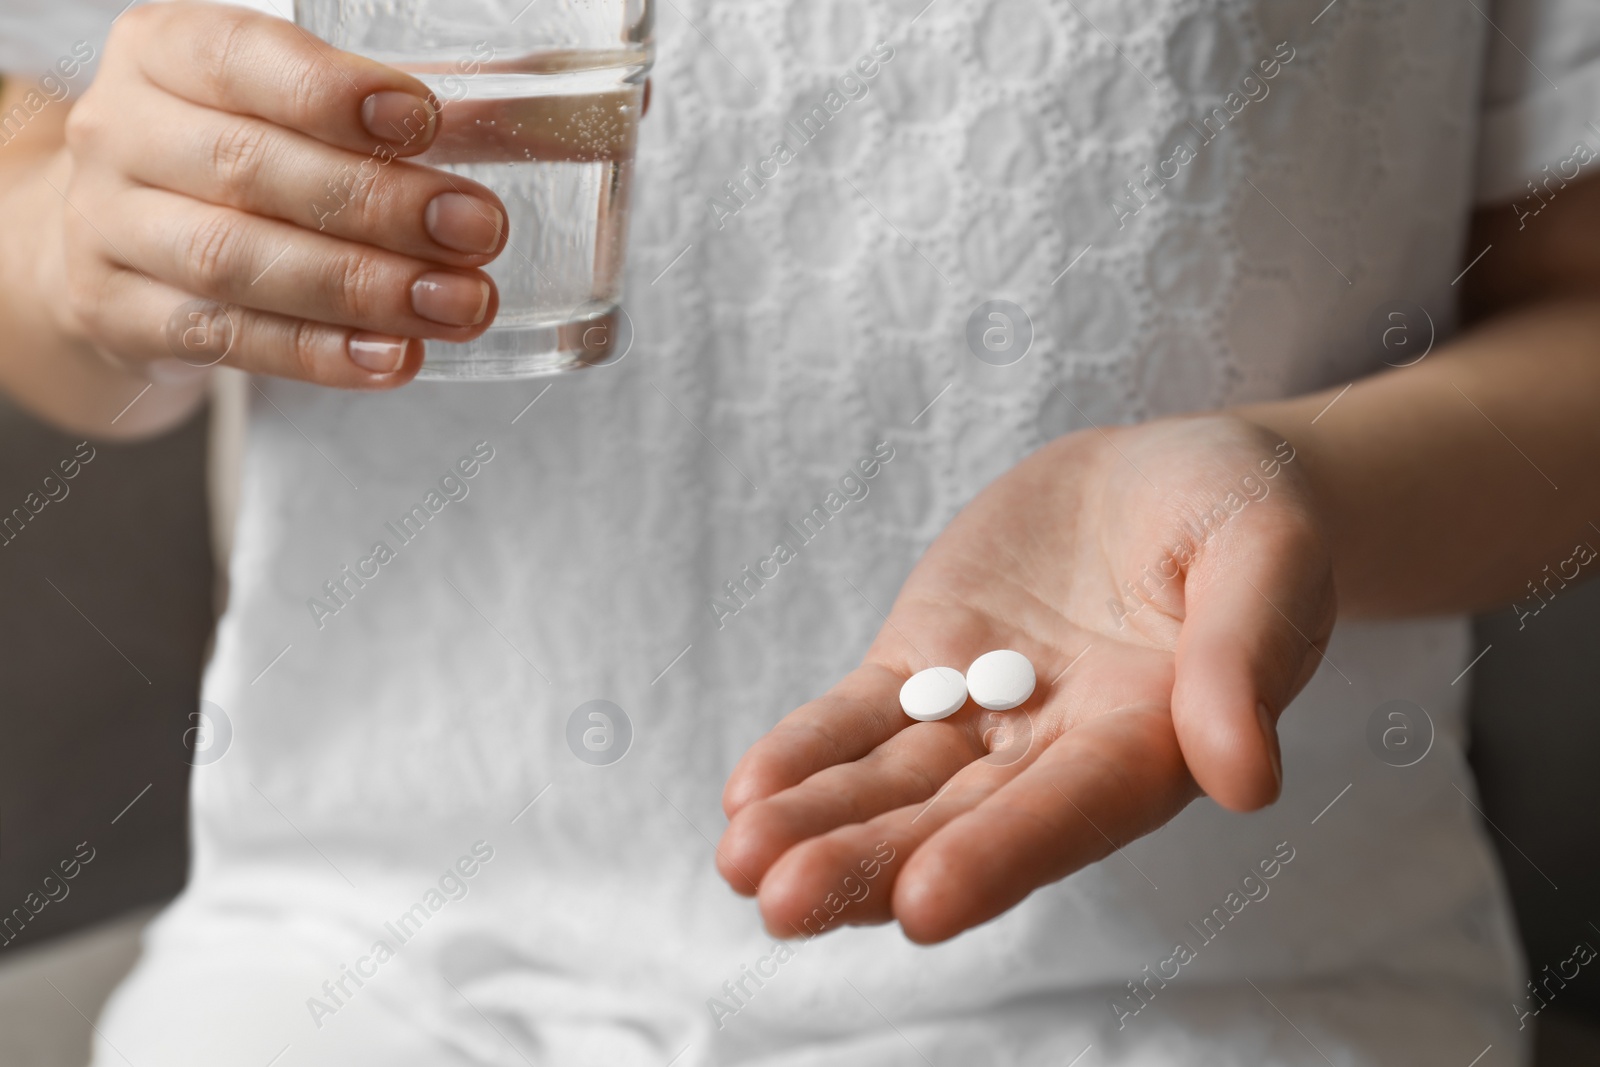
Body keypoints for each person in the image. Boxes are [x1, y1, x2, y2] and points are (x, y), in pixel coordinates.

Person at [1, 0, 1597, 1062]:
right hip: (363, 967)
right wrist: (90, 245)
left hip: (1213, 985)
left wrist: (1289, 487)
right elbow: (38, 176)